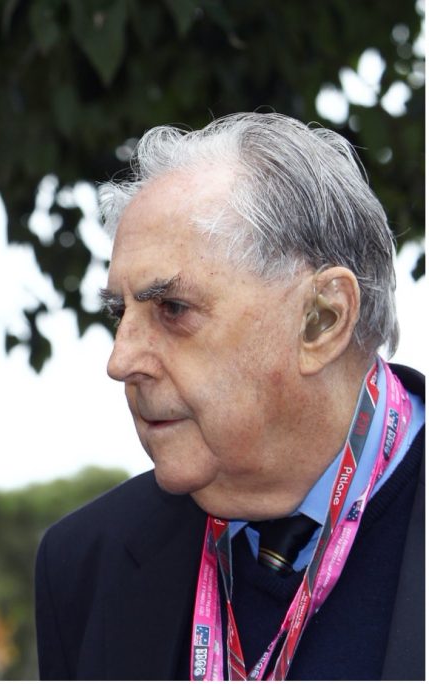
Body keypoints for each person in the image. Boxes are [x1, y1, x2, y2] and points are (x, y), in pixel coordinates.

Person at [35, 113, 424, 680]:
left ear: (322, 320)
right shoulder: (85, 565)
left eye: (172, 309)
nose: (120, 362)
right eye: (121, 313)